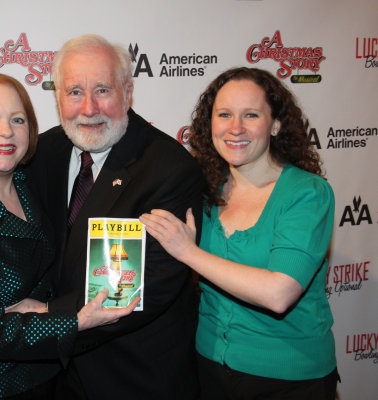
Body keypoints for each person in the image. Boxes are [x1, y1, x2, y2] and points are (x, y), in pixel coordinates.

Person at [0, 72, 138, 400]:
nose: (5, 131)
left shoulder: (24, 178)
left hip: (43, 370)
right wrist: (72, 320)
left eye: (17, 120)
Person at [22, 35, 203, 399]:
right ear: (57, 96)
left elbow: (148, 285)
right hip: (55, 378)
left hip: (134, 378)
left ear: (128, 91)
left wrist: (47, 313)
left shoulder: (168, 168)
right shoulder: (42, 152)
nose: (88, 108)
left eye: (102, 89)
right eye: (74, 91)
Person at [140, 67, 339, 400]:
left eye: (251, 115)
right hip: (208, 368)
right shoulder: (202, 190)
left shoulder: (307, 193)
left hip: (290, 378)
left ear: (275, 125)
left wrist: (188, 252)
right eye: (224, 115)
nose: (235, 128)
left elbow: (279, 293)